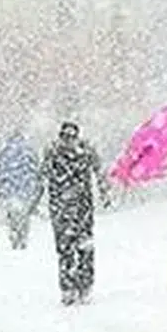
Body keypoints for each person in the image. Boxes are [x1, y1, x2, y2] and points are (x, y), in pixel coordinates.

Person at [38, 122, 107, 305]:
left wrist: (104, 191)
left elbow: (41, 178)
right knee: (70, 248)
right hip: (72, 206)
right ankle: (74, 287)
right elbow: (41, 178)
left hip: (70, 207)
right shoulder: (59, 152)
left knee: (76, 247)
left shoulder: (60, 151)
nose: (69, 141)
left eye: (71, 137)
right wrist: (103, 191)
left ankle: (78, 287)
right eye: (66, 137)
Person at [0, 130, 41, 250]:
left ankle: (14, 235)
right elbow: (33, 172)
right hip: (25, 192)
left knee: (12, 216)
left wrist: (1, 191)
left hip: (10, 192)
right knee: (23, 216)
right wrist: (34, 189)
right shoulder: (28, 152)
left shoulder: (4, 152)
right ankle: (22, 236)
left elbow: (1, 173)